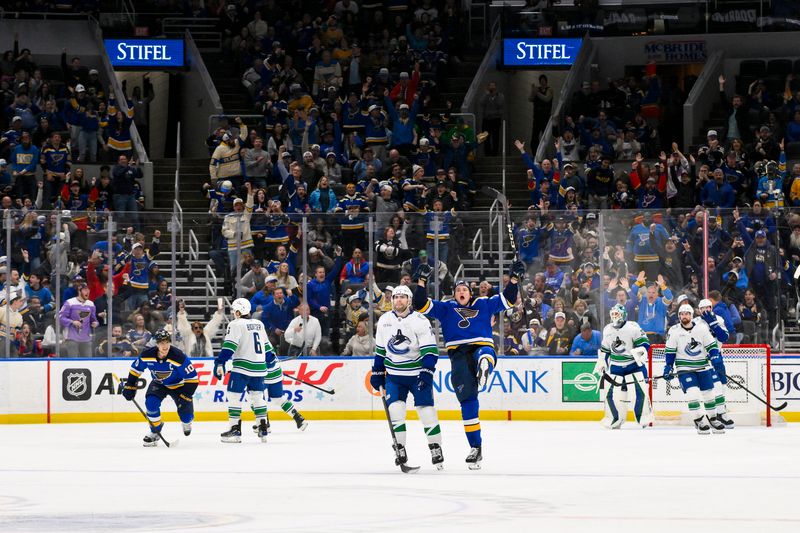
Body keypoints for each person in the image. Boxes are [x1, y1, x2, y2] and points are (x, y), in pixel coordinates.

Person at [412, 260, 524, 469]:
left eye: (464, 289)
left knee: (485, 352)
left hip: (480, 346)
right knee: (468, 402)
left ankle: (484, 364)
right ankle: (476, 448)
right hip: (458, 356)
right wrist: (420, 282)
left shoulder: (484, 303)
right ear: (454, 294)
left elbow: (508, 299)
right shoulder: (446, 308)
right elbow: (420, 305)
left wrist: (514, 280)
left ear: (470, 292)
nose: (461, 292)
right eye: (458, 290)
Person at [370, 285, 443, 469]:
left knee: (426, 411)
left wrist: (427, 372)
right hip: (394, 376)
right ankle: (400, 448)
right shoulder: (385, 320)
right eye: (395, 297)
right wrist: (377, 372)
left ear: (409, 300)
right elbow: (380, 352)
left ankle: (436, 447)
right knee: (395, 410)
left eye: (402, 297)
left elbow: (430, 352)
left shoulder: (419, 320)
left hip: (417, 374)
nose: (398, 300)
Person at [120, 329, 199, 446]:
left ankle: (186, 422)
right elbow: (135, 369)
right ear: (156, 344)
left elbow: (193, 379)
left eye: (167, 342)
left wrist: (186, 396)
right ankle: (155, 431)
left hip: (179, 386)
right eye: (161, 343)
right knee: (151, 404)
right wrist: (130, 386)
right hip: (159, 383)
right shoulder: (147, 355)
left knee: (186, 416)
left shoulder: (178, 356)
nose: (165, 345)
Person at [214, 298, 273, 443]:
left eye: (235, 311)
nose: (234, 313)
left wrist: (220, 361)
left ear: (239, 311)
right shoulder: (259, 324)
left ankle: (235, 430)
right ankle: (263, 427)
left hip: (242, 368)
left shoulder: (236, 324)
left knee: (234, 396)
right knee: (258, 396)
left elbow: (229, 347)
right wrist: (270, 360)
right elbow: (267, 349)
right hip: (259, 368)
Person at [663, 304, 727, 434]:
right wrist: (668, 367)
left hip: (702, 366)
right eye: (682, 314)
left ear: (691, 315)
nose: (684, 316)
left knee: (709, 395)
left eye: (687, 314)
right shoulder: (674, 331)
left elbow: (711, 345)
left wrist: (714, 355)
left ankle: (713, 418)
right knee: (692, 393)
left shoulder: (702, 329)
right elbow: (670, 352)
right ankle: (699, 420)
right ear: (679, 316)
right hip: (685, 368)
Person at [593, 304, 653, 429]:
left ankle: (643, 416)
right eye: (613, 314)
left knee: (640, 391)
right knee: (613, 394)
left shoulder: (633, 327)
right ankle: (614, 418)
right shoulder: (608, 329)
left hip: (634, 365)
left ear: (623, 315)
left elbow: (645, 344)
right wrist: (602, 361)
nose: (615, 317)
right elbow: (605, 350)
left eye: (617, 314)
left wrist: (639, 352)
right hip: (616, 366)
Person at [697, 298, 734, 429]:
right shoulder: (696, 323)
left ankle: (720, 412)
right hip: (703, 359)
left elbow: (724, 337)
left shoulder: (719, 319)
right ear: (699, 310)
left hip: (717, 356)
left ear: (711, 308)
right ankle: (715, 414)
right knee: (712, 387)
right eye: (703, 308)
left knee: (722, 385)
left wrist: (714, 325)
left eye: (708, 307)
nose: (705, 310)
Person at [58, 282, 98, 357]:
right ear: (79, 291)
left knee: (87, 362)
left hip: (86, 338)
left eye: (88, 290)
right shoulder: (69, 303)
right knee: (73, 362)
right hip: (72, 338)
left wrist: (95, 323)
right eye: (85, 290)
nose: (88, 292)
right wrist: (72, 322)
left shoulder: (91, 304)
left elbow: (93, 319)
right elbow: (60, 317)